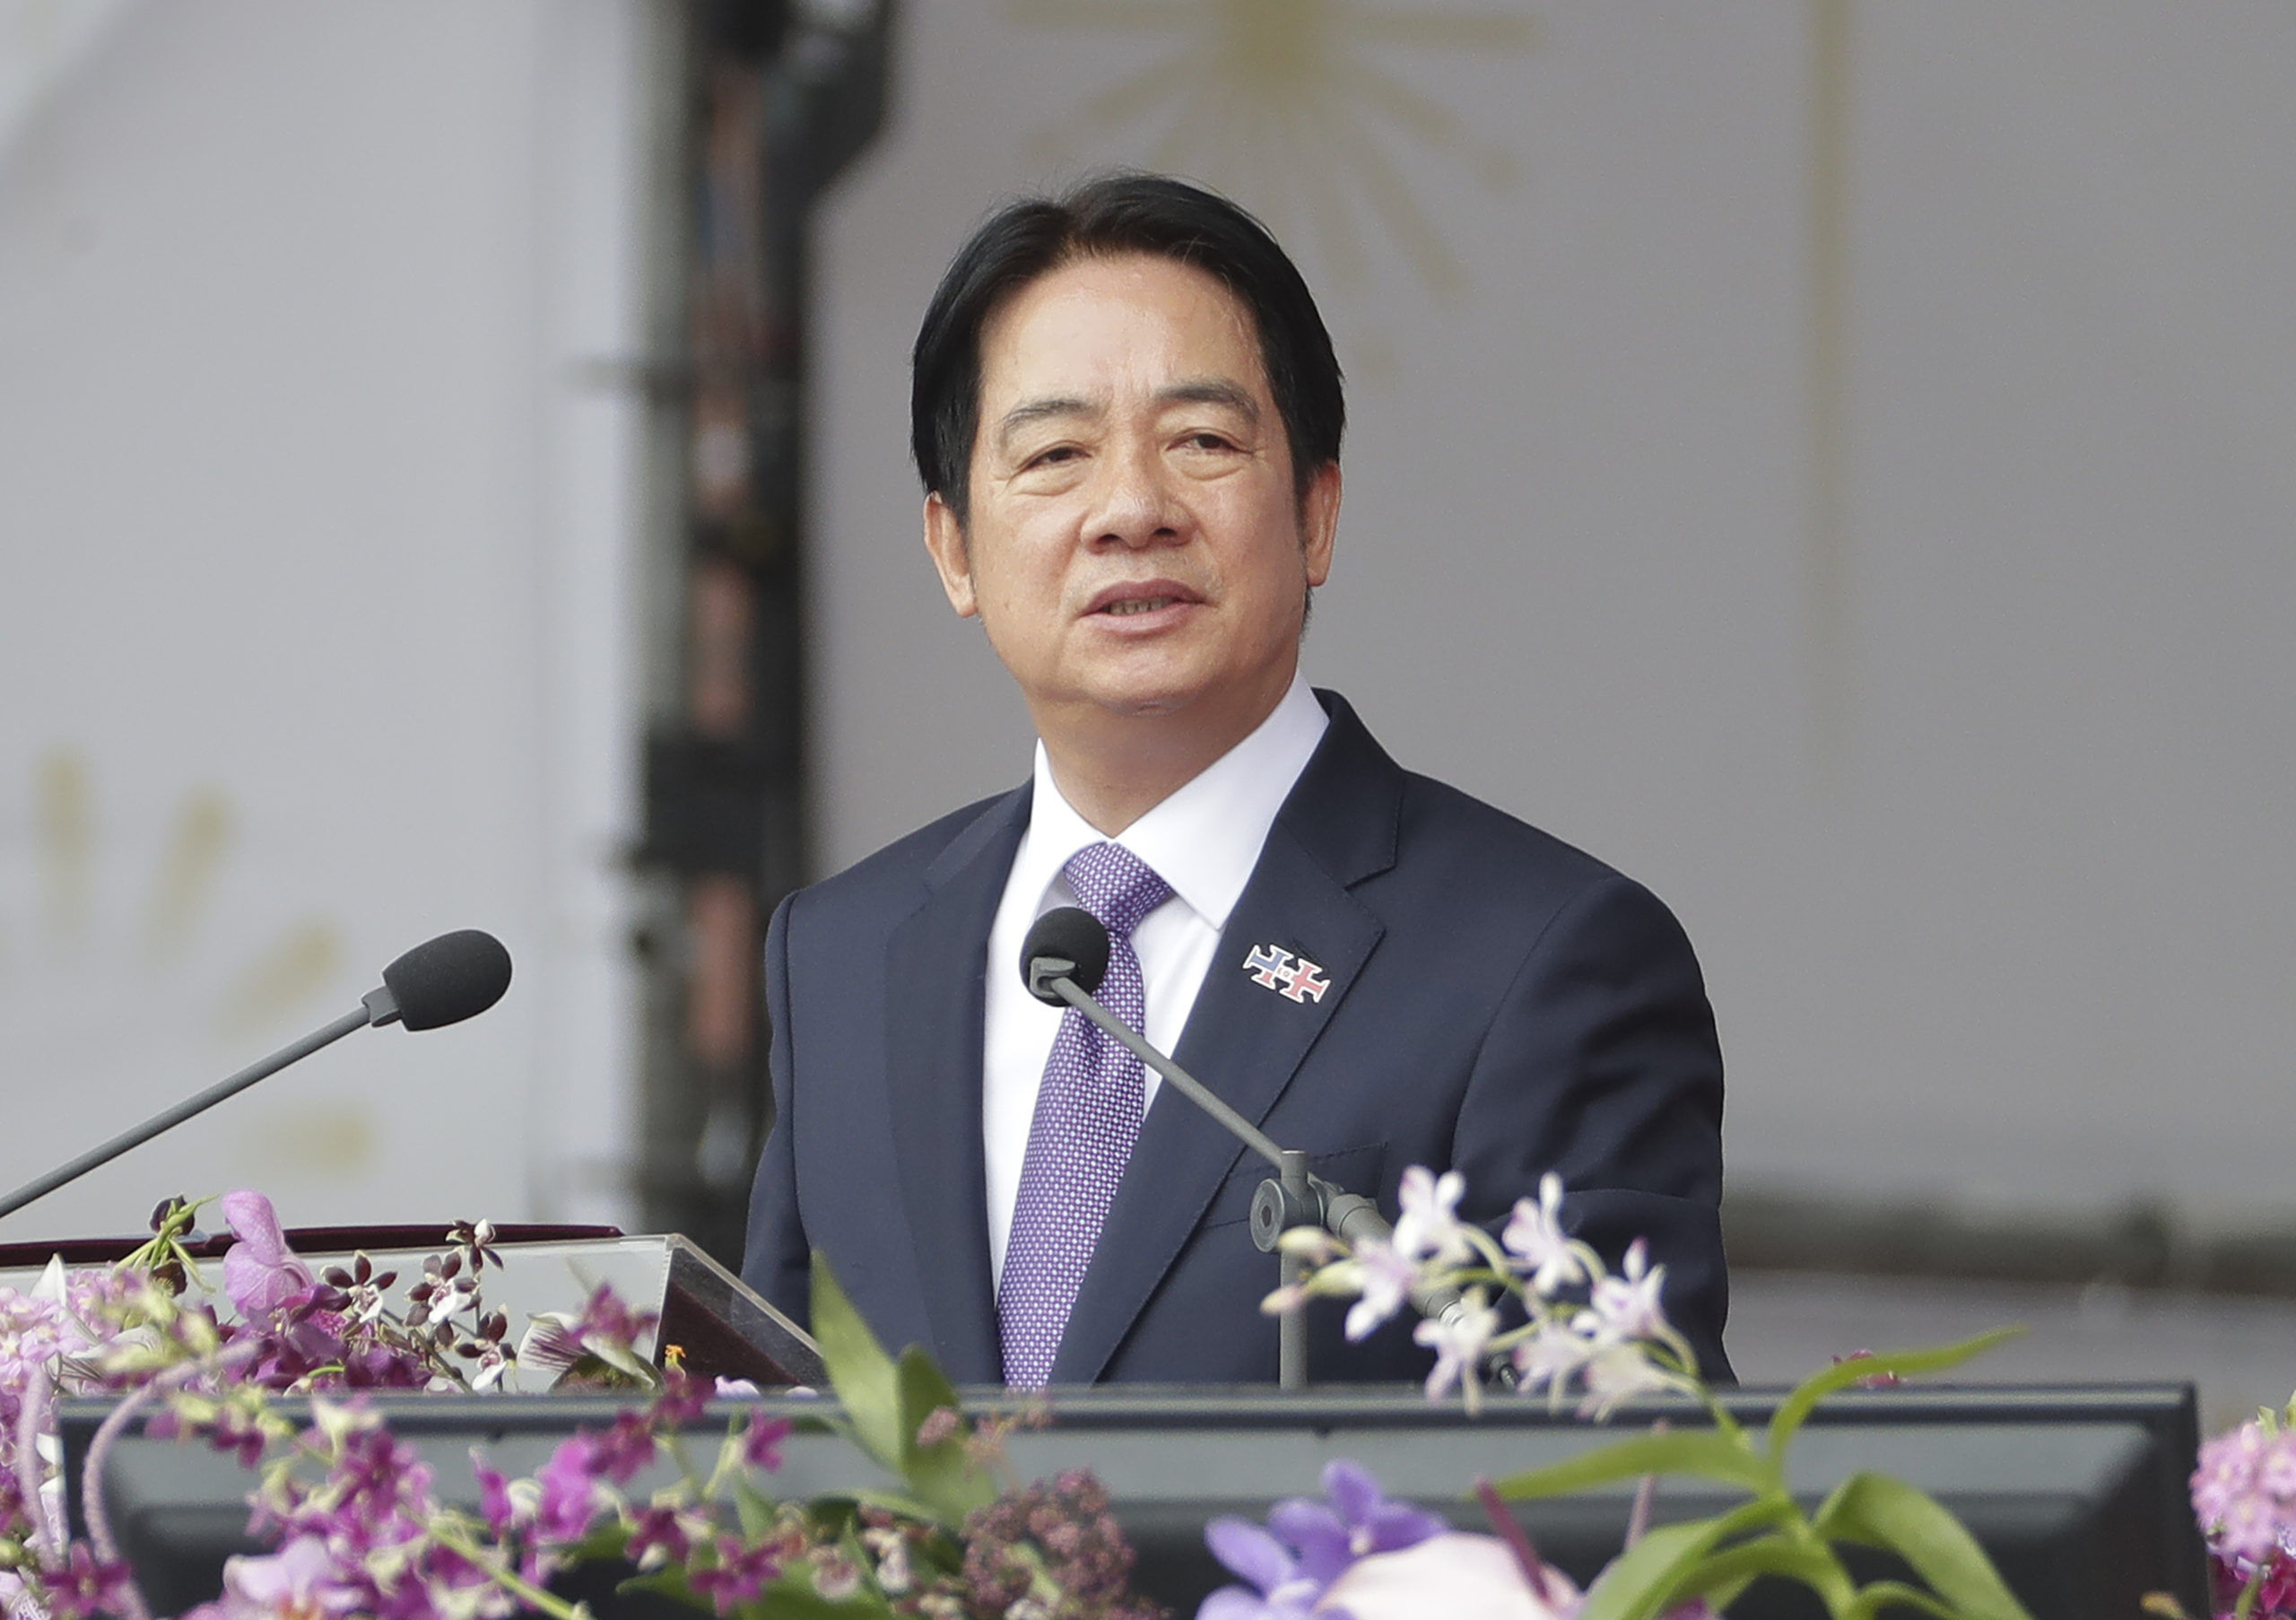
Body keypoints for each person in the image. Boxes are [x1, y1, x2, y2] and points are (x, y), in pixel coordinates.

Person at [743, 173, 1729, 1388]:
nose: (1131, 509)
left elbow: (1630, 1495)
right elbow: (771, 1454)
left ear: (1316, 511)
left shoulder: (1544, 961)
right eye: (1055, 454)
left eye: (1201, 442)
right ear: (954, 548)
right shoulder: (844, 954)